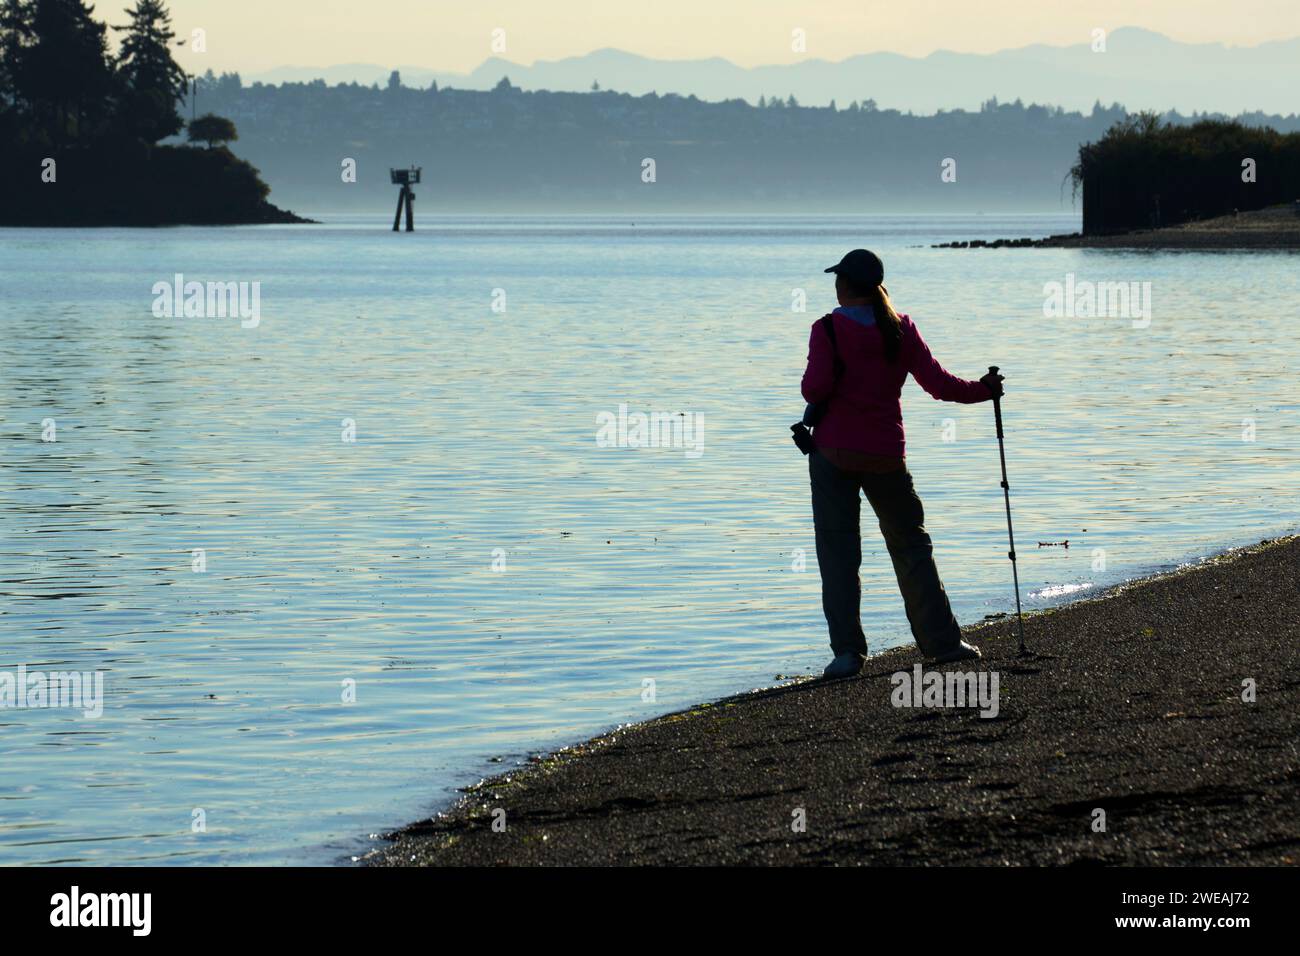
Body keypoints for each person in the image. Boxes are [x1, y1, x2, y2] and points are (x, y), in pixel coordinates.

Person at [802, 249, 1004, 679]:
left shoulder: (826, 329)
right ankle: (943, 643)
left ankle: (848, 655)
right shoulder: (900, 328)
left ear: (845, 285)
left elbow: (814, 390)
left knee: (838, 555)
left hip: (833, 454)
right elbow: (941, 385)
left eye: (838, 279)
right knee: (912, 547)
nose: (835, 285)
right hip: (886, 454)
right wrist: (985, 390)